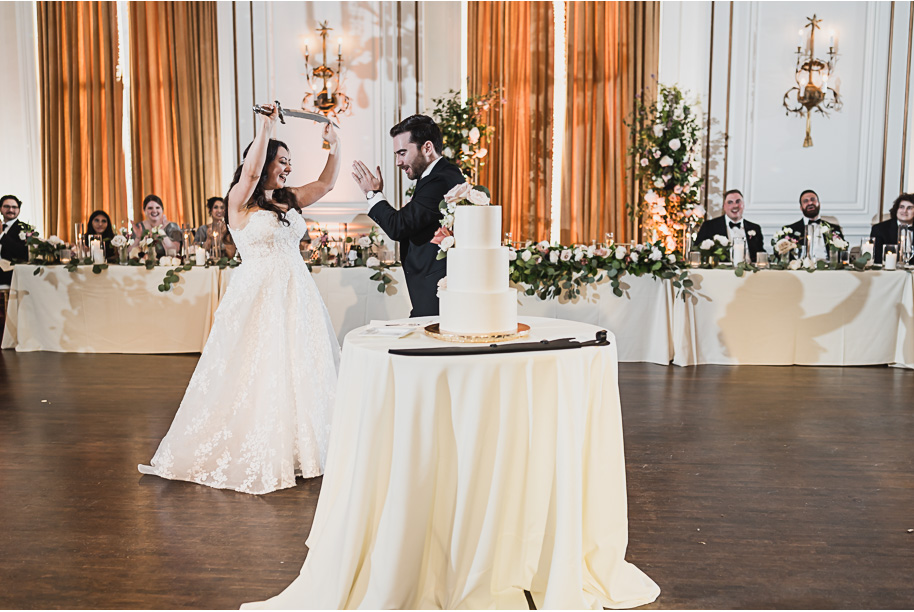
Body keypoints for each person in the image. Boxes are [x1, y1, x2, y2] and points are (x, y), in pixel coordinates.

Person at [138, 103, 342, 494]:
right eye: (282, 161)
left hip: (297, 293)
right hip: (259, 293)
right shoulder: (239, 200)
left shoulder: (288, 199)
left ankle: (303, 447)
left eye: (289, 161)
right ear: (264, 161)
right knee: (259, 365)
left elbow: (326, 185)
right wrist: (266, 125)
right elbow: (250, 172)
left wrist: (336, 145)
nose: (288, 167)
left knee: (299, 364)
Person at [352, 114, 466, 316]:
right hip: (431, 289)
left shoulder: (440, 179)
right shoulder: (439, 176)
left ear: (427, 148)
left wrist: (372, 194)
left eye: (402, 153)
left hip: (437, 293)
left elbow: (399, 226)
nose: (398, 162)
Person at [695, 189, 766, 261]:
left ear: (743, 205)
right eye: (730, 202)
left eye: (738, 201)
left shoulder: (755, 228)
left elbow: (760, 254)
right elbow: (697, 251)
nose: (735, 205)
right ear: (724, 207)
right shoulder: (709, 226)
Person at [784, 189, 844, 260]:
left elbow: (842, 252)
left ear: (819, 204)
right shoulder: (790, 230)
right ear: (801, 207)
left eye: (813, 199)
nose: (810, 203)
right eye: (806, 201)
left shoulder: (834, 228)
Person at [870, 193, 914, 264]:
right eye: (901, 207)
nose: (904, 211)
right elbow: (877, 258)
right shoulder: (879, 229)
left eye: (909, 208)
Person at [0, 195, 29, 286]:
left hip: (10, 273)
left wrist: (1, 235)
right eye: (7, 206)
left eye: (14, 207)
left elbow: (23, 253)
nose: (11, 210)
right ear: (0, 209)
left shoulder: (25, 229)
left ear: (19, 210)